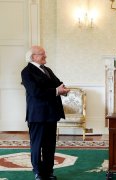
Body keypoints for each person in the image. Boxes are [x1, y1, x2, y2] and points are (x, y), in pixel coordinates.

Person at [21, 46, 70, 180]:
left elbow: (58, 83)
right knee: (37, 145)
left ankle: (48, 172)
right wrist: (56, 91)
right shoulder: (26, 72)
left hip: (51, 114)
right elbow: (35, 92)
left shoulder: (47, 70)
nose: (45, 56)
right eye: (42, 54)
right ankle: (38, 172)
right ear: (33, 57)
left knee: (49, 145)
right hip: (37, 115)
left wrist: (64, 89)